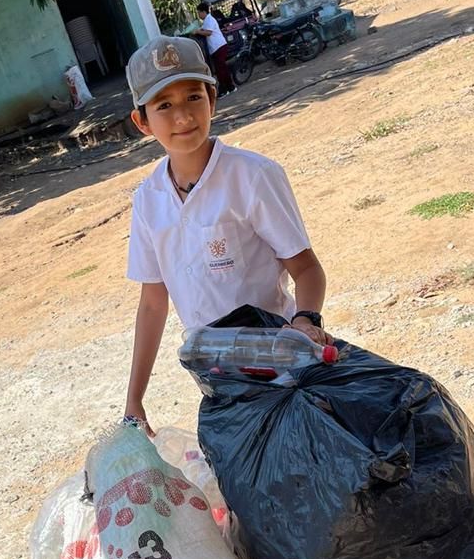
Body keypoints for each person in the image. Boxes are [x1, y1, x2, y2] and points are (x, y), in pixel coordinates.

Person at [124, 35, 329, 432]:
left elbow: (306, 269)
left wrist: (305, 320)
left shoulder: (253, 176)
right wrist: (135, 399)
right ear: (142, 122)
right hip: (215, 373)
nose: (183, 116)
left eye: (193, 97)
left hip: (280, 365)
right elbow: (152, 302)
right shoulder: (148, 201)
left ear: (212, 100)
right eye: (164, 105)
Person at [193, 2, 235, 98]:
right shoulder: (206, 21)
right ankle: (230, 86)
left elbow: (208, 32)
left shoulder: (209, 20)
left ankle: (224, 89)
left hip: (218, 46)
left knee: (220, 69)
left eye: (199, 12)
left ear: (204, 12)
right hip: (216, 48)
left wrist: (197, 31)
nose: (198, 15)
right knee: (221, 68)